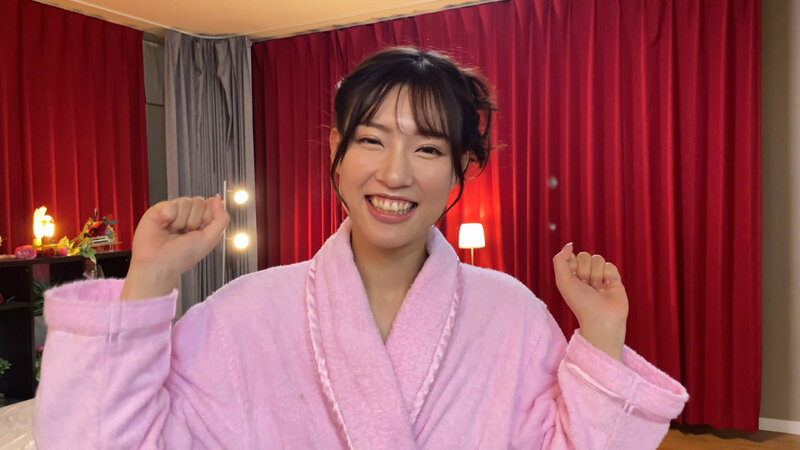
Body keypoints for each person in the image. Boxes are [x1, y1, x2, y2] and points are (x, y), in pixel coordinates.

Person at [34, 47, 688, 449]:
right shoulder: (243, 314)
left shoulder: (511, 315)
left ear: (460, 170)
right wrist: (149, 278)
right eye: (371, 139)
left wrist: (602, 334)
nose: (394, 173)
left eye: (427, 148)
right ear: (336, 151)